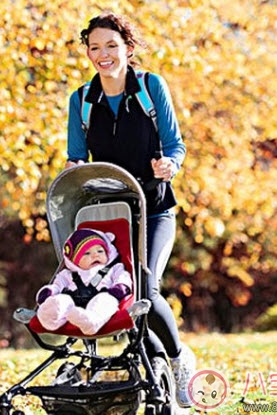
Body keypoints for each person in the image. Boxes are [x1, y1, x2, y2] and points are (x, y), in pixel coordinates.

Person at [65, 11, 195, 407]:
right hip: (108, 217)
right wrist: (73, 170)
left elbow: (176, 145)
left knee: (145, 285)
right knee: (119, 294)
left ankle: (176, 359)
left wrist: (169, 164)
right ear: (87, 52)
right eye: (95, 47)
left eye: (111, 46)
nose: (103, 55)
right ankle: (153, 366)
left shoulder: (151, 87)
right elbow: (75, 155)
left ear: (127, 48)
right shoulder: (83, 101)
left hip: (155, 211)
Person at [36, 228, 132, 336]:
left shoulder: (114, 268)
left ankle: (91, 321)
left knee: (105, 300)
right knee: (61, 301)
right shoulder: (68, 274)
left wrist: (121, 287)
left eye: (100, 251)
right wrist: (50, 291)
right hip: (73, 306)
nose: (95, 255)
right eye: (87, 253)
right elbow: (57, 285)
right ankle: (49, 317)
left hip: (101, 299)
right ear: (75, 262)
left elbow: (123, 277)